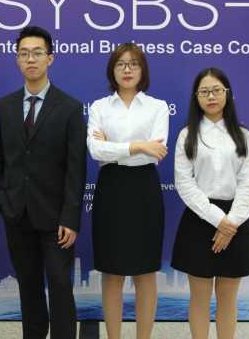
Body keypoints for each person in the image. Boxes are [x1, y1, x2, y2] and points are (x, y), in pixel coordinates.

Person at [0, 26, 87, 339]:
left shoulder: (69, 107)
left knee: (60, 287)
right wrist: (3, 203)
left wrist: (70, 217)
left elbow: (76, 168)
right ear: (17, 60)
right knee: (28, 288)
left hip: (57, 220)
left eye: (37, 53)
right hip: (17, 215)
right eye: (24, 54)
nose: (31, 59)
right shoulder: (3, 107)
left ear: (50, 58)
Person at [171, 67, 249, 339]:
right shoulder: (187, 135)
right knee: (199, 297)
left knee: (228, 298)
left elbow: (248, 183)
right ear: (196, 97)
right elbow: (184, 184)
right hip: (199, 219)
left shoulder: (243, 135)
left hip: (236, 220)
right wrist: (218, 220)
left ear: (227, 94)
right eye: (204, 92)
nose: (211, 96)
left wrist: (230, 223)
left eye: (216, 90)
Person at [87, 43, 169, 339]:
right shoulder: (99, 107)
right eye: (121, 64)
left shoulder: (157, 107)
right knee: (112, 272)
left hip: (144, 188)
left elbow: (156, 151)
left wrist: (115, 146)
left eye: (133, 64)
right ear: (112, 70)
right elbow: (96, 150)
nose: (127, 69)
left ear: (142, 70)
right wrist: (137, 145)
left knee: (146, 272)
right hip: (111, 188)